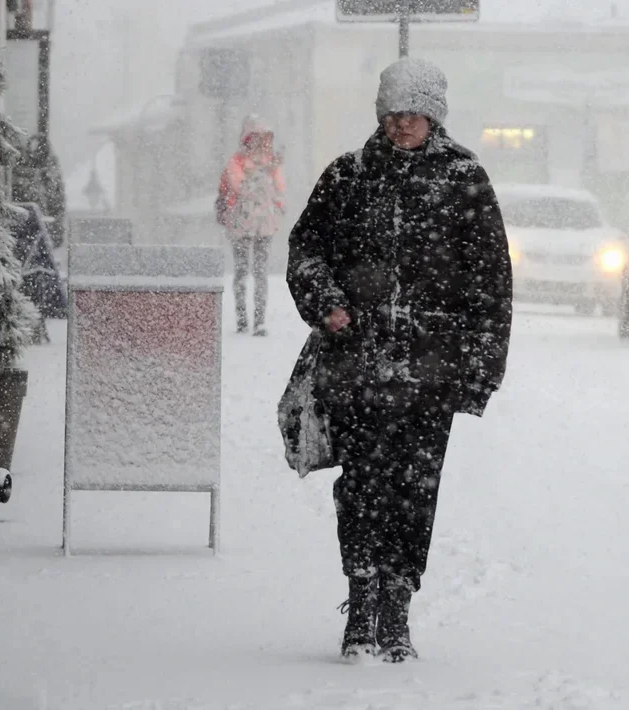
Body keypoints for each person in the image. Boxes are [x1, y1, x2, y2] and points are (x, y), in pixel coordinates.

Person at [285, 58, 513, 663]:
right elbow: (306, 250)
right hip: (354, 368)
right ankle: (360, 603)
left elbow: (491, 283)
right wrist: (326, 303)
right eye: (393, 112)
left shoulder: (465, 180)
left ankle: (398, 606)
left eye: (414, 111)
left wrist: (481, 370)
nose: (403, 122)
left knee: (414, 490)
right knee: (360, 486)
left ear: (435, 114)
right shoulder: (347, 177)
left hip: (430, 373)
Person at [216, 116, 286, 335]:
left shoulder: (270, 164)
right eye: (257, 139)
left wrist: (278, 205)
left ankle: (259, 321)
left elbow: (279, 191)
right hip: (240, 224)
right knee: (241, 271)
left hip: (264, 224)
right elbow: (239, 187)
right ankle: (242, 319)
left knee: (260, 272)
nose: (261, 144)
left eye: (264, 139)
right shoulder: (236, 162)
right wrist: (265, 173)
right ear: (248, 139)